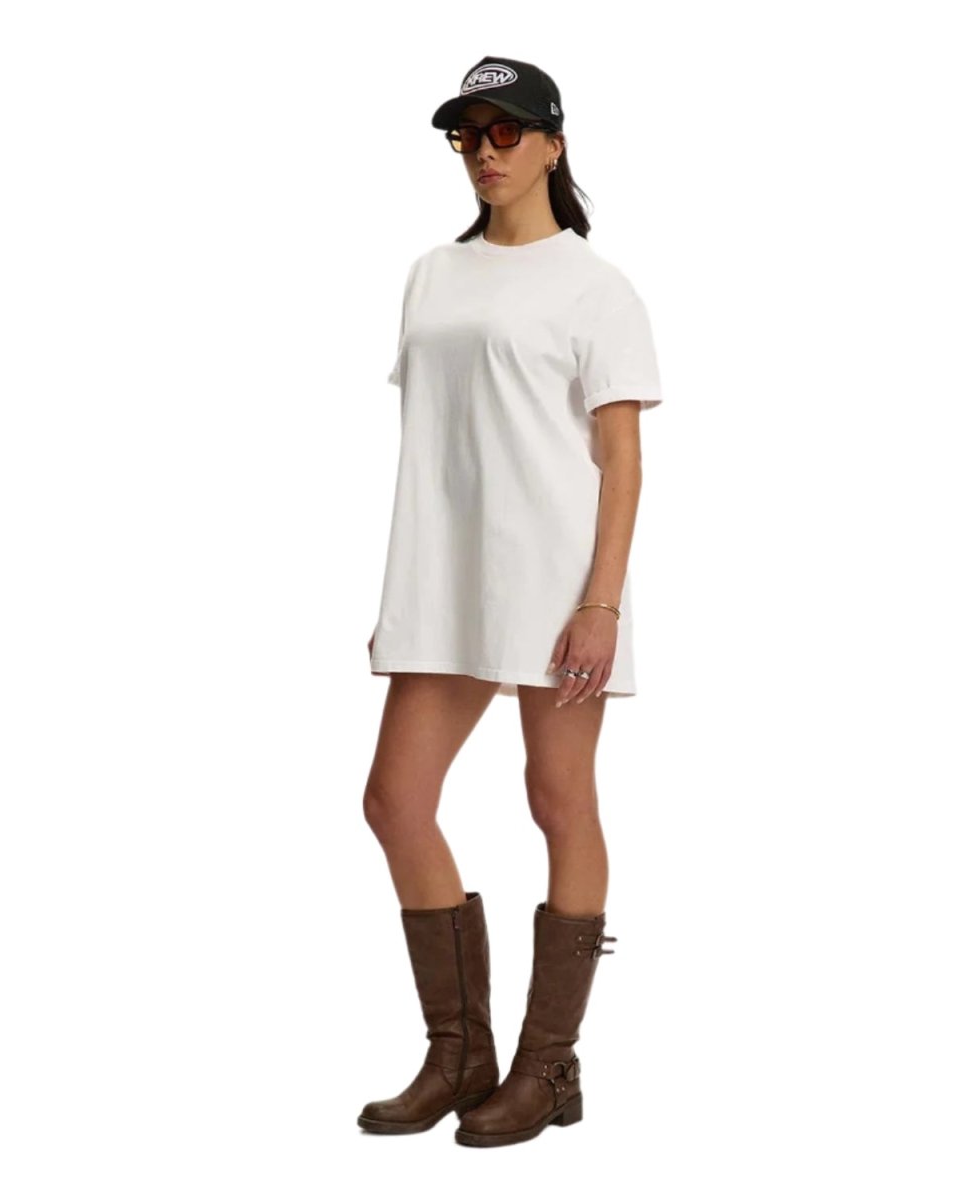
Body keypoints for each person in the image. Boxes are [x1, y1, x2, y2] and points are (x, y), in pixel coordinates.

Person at [357, 56, 663, 1148]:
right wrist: (407, 587)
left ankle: (548, 1066)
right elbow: (443, 444)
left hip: (556, 582)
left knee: (557, 798)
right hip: (446, 583)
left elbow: (620, 461)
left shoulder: (596, 286)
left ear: (552, 144)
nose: (484, 152)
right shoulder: (432, 275)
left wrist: (602, 603)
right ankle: (460, 1055)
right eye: (467, 134)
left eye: (505, 131)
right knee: (395, 801)